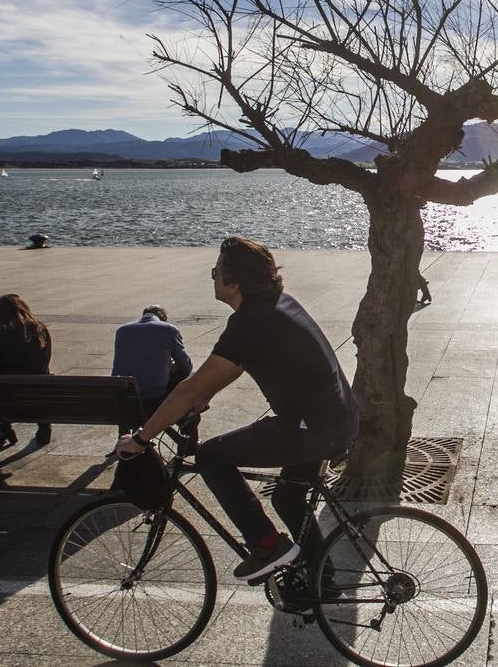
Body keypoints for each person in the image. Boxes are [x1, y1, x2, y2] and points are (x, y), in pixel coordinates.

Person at [114, 236, 359, 582]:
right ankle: (321, 581)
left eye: (216, 272)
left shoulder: (249, 323)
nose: (212, 278)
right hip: (338, 419)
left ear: (233, 281)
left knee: (211, 456)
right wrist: (205, 394)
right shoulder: (278, 304)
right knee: (288, 498)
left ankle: (266, 545)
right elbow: (231, 367)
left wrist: (141, 439)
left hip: (311, 427)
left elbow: (192, 386)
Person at [0, 293, 53, 447]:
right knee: (43, 378)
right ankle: (44, 427)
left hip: (7, 398)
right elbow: (43, 363)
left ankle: (4, 428)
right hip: (38, 395)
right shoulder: (40, 329)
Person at [112, 305, 193, 429]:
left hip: (124, 400)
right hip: (153, 401)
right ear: (163, 319)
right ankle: (189, 440)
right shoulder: (168, 329)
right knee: (189, 380)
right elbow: (186, 367)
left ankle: (124, 437)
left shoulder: (122, 330)